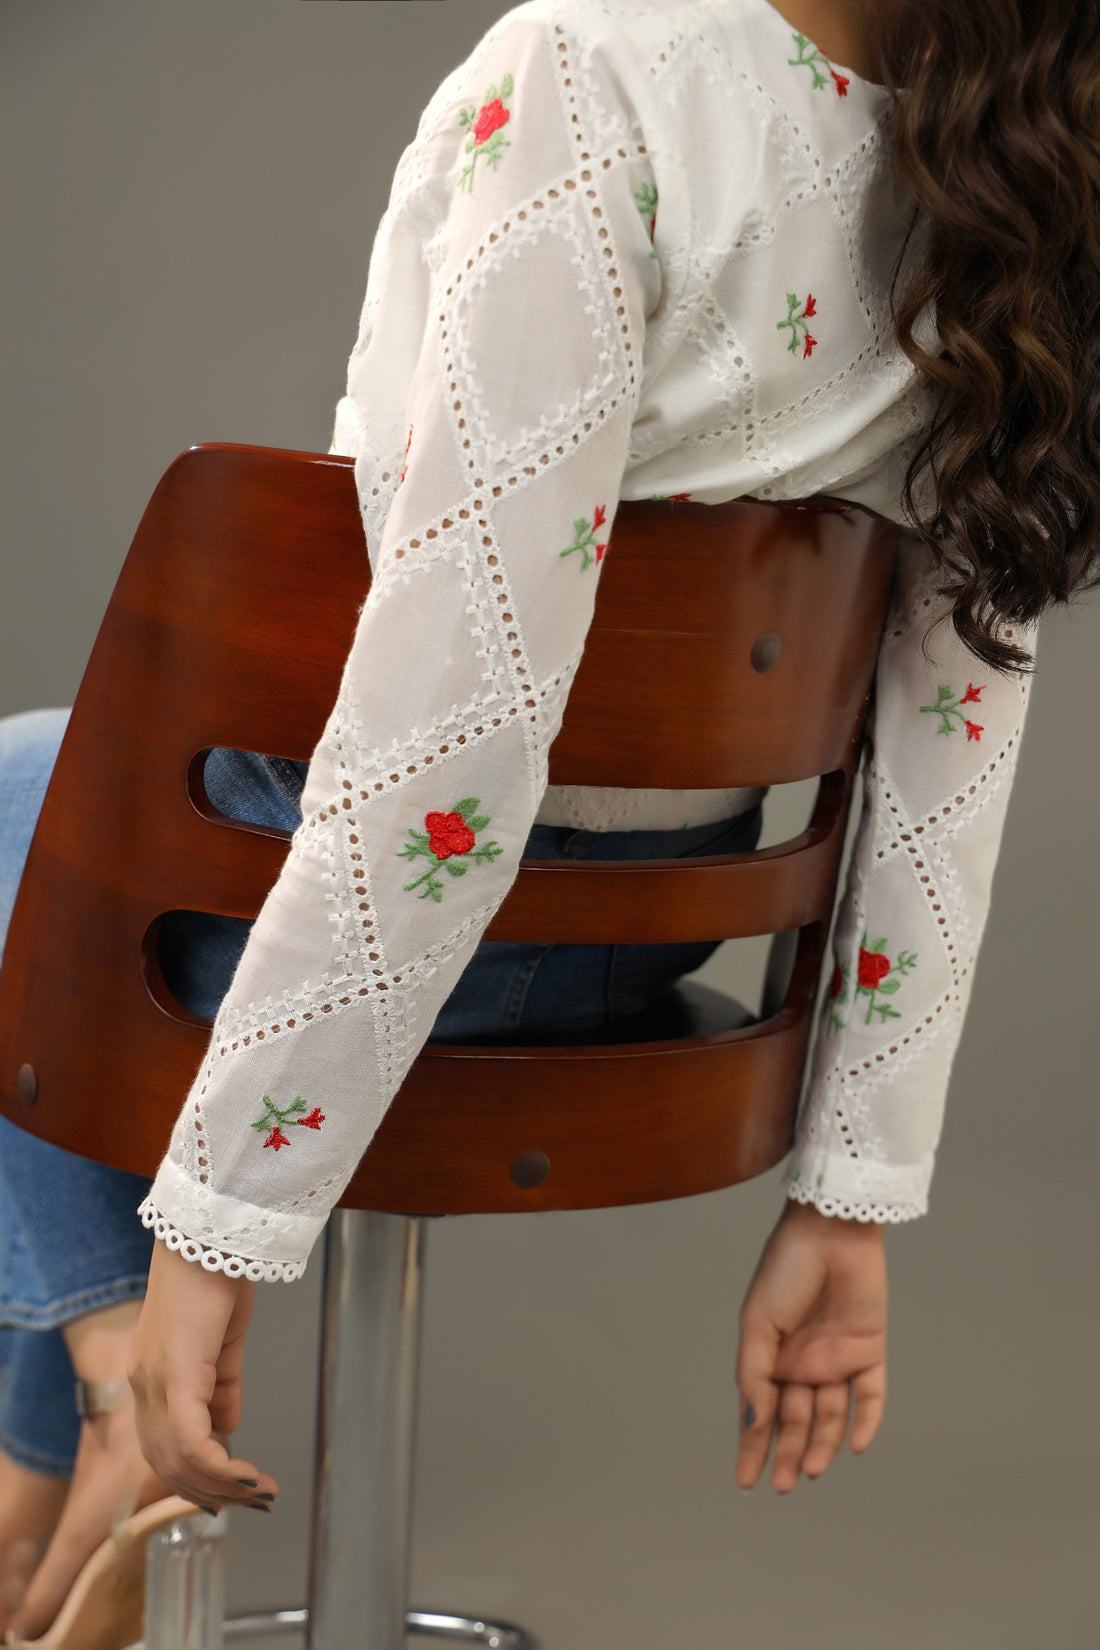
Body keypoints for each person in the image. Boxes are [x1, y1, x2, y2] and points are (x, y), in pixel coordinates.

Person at [1, 0, 1096, 1638]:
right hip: (643, 955)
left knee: (27, 797)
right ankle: (63, 1442)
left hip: (403, 941)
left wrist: (221, 1234)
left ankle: (94, 1401)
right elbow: (955, 731)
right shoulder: (1015, 158)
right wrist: (849, 1194)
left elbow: (460, 723)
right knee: (41, 796)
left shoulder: (593, 70)